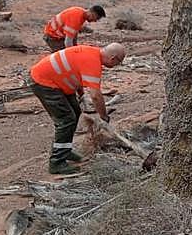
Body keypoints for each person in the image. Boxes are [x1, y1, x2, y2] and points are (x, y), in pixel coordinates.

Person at [29, 43, 126, 175]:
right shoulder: (93, 63)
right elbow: (96, 96)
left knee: (75, 112)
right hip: (44, 81)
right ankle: (56, 162)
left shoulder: (92, 53)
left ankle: (65, 150)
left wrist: (81, 95)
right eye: (118, 63)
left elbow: (76, 73)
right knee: (66, 120)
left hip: (56, 81)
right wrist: (104, 116)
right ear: (113, 58)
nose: (116, 66)